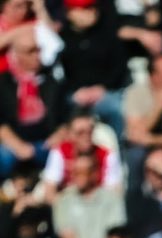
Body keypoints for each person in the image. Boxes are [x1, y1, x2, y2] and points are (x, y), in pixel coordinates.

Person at [0, 29, 67, 176]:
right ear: (16, 55)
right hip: (14, 144)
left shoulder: (52, 81)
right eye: (30, 51)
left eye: (38, 50)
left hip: (46, 143)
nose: (36, 56)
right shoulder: (4, 83)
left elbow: (65, 117)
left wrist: (58, 136)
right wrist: (18, 146)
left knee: (62, 154)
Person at [59, 0, 129, 138]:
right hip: (75, 94)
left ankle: (119, 147)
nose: (92, 12)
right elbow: (59, 74)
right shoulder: (61, 39)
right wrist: (77, 91)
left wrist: (102, 88)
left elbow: (119, 68)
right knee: (60, 108)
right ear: (70, 13)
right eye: (85, 9)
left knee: (117, 108)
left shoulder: (108, 34)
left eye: (93, 7)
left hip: (106, 92)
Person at [53, 153, 126, 238]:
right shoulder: (64, 200)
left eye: (83, 172)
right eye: (75, 172)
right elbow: (68, 237)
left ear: (95, 173)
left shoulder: (111, 199)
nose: (77, 176)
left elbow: (115, 235)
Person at [42, 110, 122, 200]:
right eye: (80, 133)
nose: (86, 137)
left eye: (89, 132)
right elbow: (49, 191)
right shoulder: (59, 152)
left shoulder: (107, 156)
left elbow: (114, 193)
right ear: (70, 134)